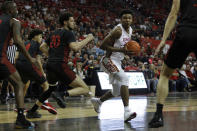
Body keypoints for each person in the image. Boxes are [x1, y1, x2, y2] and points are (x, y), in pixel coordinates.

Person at [149, 0, 197, 128]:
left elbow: (173, 14)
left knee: (165, 75)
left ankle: (158, 116)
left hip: (186, 32)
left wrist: (163, 40)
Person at [38, 12, 94, 110]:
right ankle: (62, 94)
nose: (74, 23)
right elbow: (75, 48)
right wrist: (88, 39)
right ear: (65, 22)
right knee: (85, 88)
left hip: (50, 64)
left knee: (50, 89)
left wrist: (52, 55)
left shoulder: (54, 32)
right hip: (60, 65)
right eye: (72, 21)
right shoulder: (68, 33)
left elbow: (42, 47)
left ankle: (33, 110)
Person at [91, 9, 137, 122]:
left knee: (116, 91)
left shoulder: (130, 30)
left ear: (132, 20)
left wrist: (125, 53)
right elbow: (102, 45)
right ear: (121, 19)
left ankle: (98, 102)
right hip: (108, 60)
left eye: (129, 18)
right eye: (125, 18)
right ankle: (127, 112)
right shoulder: (118, 30)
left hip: (117, 61)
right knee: (124, 78)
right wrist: (121, 50)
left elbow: (123, 47)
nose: (127, 20)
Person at [0, 1, 36, 129]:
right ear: (10, 10)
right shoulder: (14, 21)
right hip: (1, 58)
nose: (17, 10)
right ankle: (20, 118)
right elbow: (18, 41)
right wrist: (30, 58)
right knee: (19, 83)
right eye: (15, 8)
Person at [15, 29, 57, 118]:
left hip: (19, 64)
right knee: (46, 85)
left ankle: (19, 107)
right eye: (40, 36)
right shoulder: (38, 45)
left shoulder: (24, 42)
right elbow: (38, 61)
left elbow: (16, 56)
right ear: (35, 36)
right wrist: (42, 73)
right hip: (29, 64)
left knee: (24, 85)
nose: (41, 38)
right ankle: (45, 103)